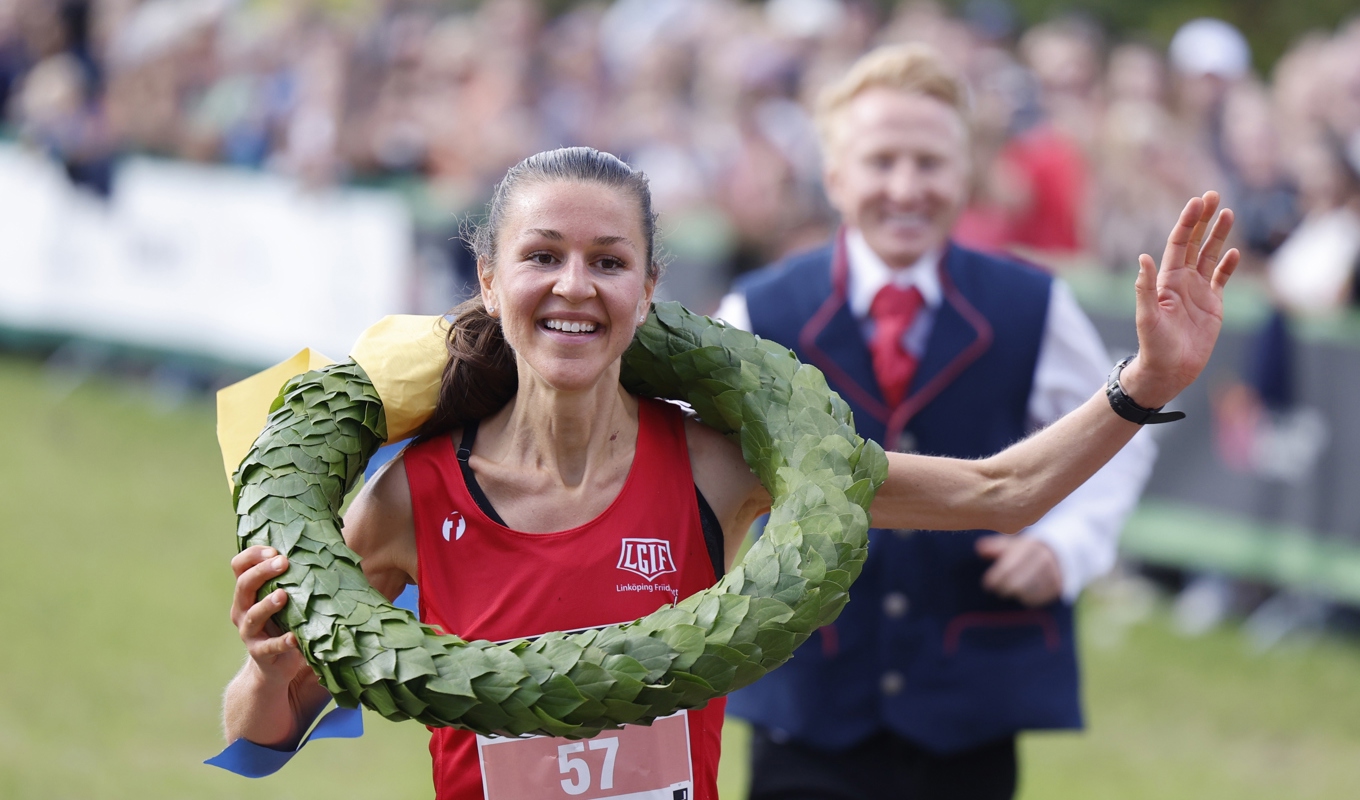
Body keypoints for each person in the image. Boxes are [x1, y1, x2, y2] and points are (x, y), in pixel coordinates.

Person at [223, 146, 1238, 800]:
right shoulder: (411, 494)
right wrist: (271, 670)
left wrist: (1147, 377)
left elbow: (995, 490)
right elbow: (259, 737)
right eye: (541, 256)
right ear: (488, 278)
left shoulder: (717, 464)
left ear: (650, 288)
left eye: (609, 260)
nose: (574, 286)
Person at [713, 45, 1155, 799]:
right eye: (881, 162)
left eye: (931, 163)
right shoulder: (760, 311)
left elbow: (1121, 430)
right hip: (810, 696)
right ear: (835, 176)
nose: (907, 188)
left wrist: (1066, 545)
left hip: (966, 697)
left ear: (966, 173)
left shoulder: (1031, 305)